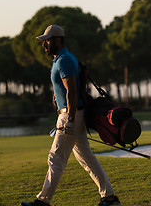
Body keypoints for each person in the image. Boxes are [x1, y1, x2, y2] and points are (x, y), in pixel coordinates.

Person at [21, 25, 121, 206]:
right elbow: (66, 87)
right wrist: (56, 96)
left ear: (58, 40)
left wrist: (71, 118)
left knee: (55, 158)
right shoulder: (62, 59)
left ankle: (43, 201)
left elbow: (72, 92)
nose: (45, 45)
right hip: (72, 114)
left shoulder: (64, 60)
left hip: (70, 115)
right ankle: (109, 197)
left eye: (48, 41)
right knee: (86, 158)